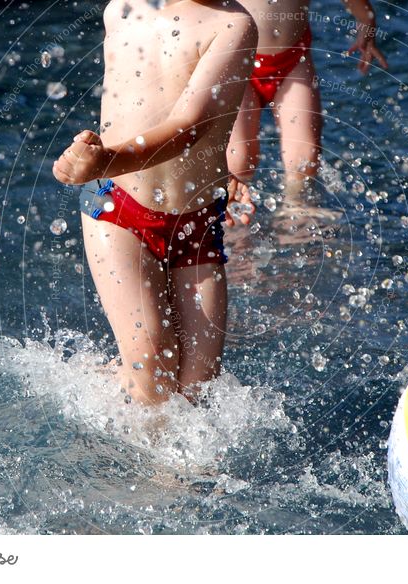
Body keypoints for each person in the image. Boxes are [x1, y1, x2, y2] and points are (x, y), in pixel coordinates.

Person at [52, 0, 258, 405]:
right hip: (118, 206)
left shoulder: (234, 25)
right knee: (152, 369)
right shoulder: (122, 9)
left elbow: (189, 128)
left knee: (198, 388)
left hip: (196, 221)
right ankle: (138, 457)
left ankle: (116, 376)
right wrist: (94, 162)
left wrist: (105, 159)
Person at [228, 0, 388, 217]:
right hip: (234, 59)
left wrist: (366, 22)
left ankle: (297, 216)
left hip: (293, 58)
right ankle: (233, 222)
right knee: (238, 160)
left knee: (305, 159)